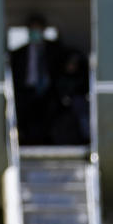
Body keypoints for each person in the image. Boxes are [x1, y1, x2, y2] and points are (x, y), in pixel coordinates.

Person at [9, 13, 66, 145]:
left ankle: (48, 142)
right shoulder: (18, 53)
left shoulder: (55, 49)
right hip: (26, 90)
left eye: (38, 29)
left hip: (49, 91)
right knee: (26, 116)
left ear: (43, 30)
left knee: (50, 114)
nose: (35, 32)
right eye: (32, 29)